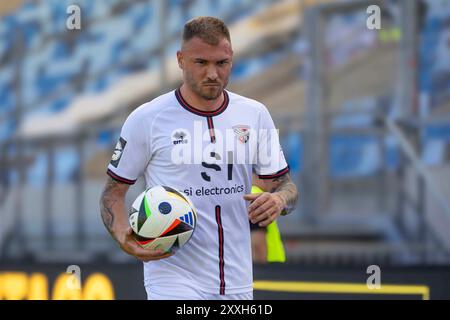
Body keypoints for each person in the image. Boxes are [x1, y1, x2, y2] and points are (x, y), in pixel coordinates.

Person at [100, 16, 298, 300]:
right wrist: (124, 238)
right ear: (181, 60)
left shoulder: (255, 114)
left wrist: (278, 201)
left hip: (237, 281)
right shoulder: (147, 119)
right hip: (172, 278)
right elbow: (112, 194)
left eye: (221, 63)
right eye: (201, 63)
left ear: (231, 59)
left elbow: (285, 185)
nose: (213, 74)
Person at [250, 183, 286, 264]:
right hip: (268, 268)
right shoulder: (259, 198)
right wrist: (262, 270)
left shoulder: (252, 194)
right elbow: (257, 242)